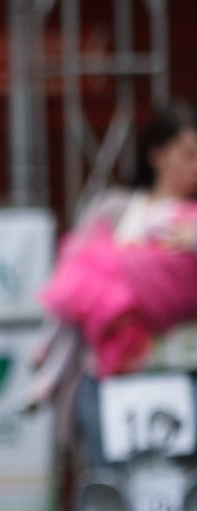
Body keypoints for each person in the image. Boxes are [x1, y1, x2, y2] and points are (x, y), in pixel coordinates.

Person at [40, 102, 197, 378]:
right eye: (189, 155)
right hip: (110, 374)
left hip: (182, 369)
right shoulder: (113, 206)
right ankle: (47, 365)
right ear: (157, 155)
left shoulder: (192, 217)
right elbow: (72, 276)